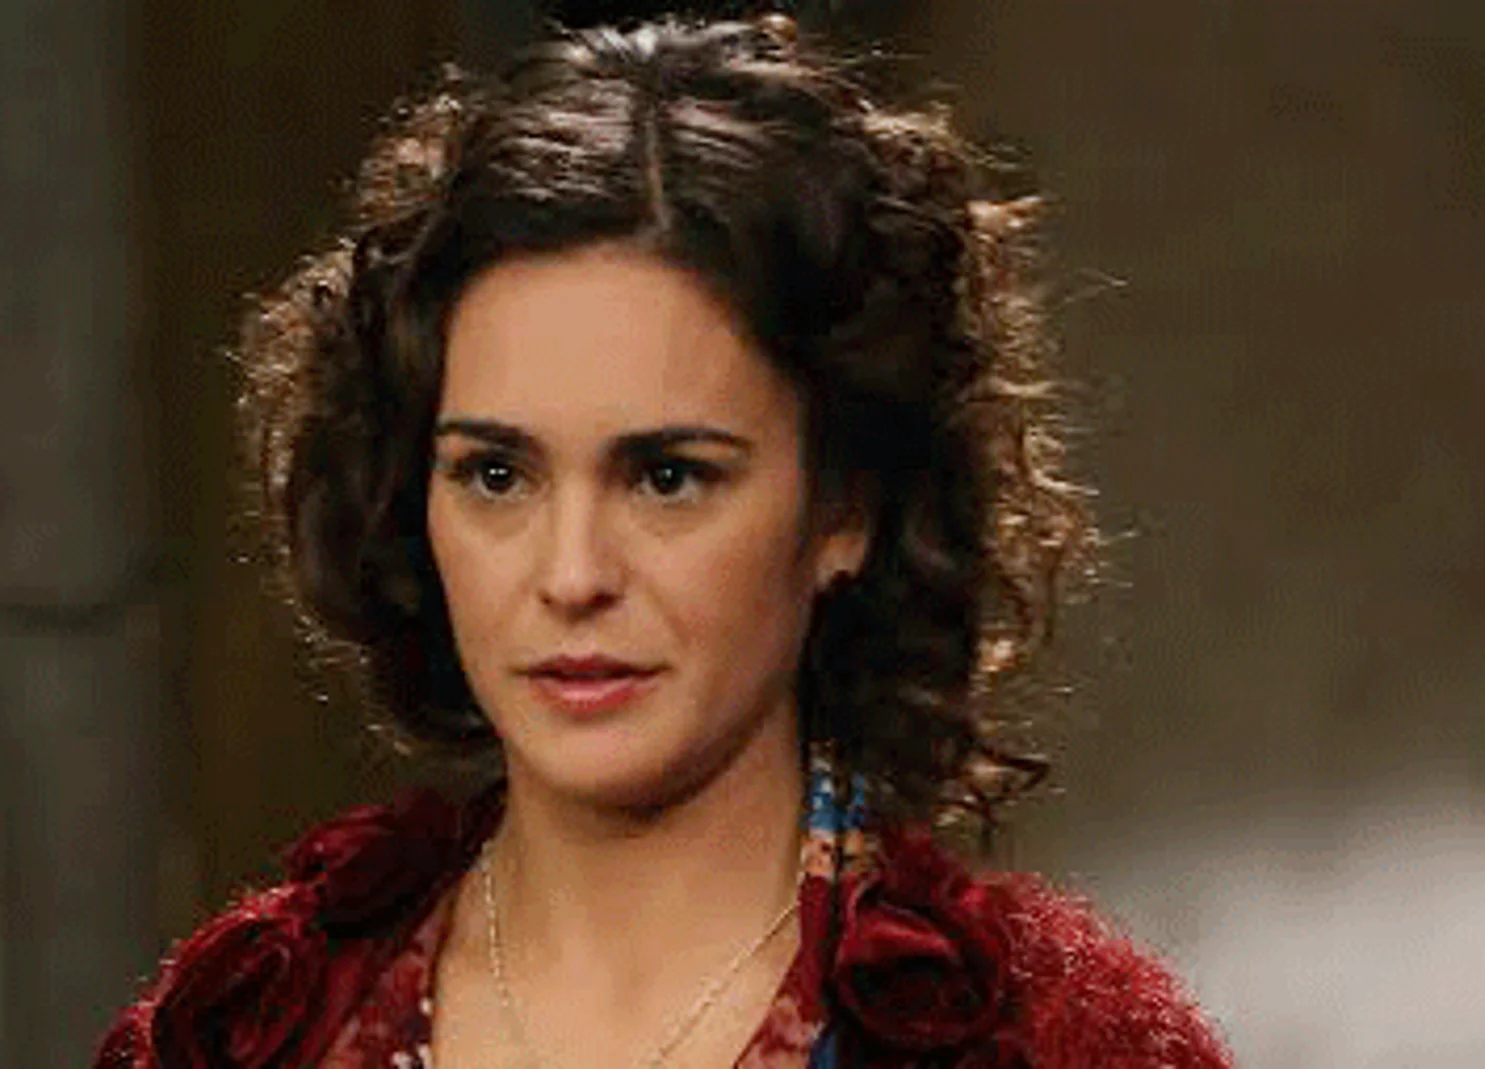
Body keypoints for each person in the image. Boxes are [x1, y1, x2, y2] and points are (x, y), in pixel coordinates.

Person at [97, 13, 1232, 1069]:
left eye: (667, 477)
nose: (572, 574)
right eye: (496, 475)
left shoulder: (1053, 1042)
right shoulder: (253, 1027)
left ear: (844, 505)